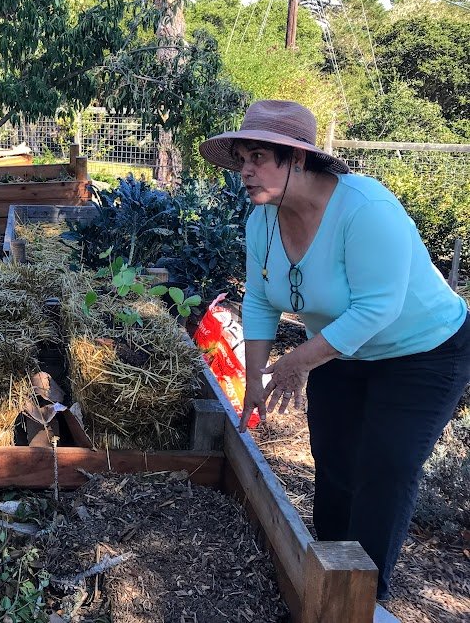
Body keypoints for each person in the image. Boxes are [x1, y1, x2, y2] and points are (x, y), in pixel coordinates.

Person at [198, 100, 470, 601]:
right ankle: (326, 577)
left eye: (258, 156)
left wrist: (297, 362)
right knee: (334, 458)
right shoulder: (263, 219)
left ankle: (364, 598)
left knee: (385, 465)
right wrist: (253, 379)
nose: (245, 170)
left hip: (423, 352)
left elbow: (378, 307)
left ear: (297, 159)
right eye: (241, 158)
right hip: (341, 352)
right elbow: (259, 297)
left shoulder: (365, 209)